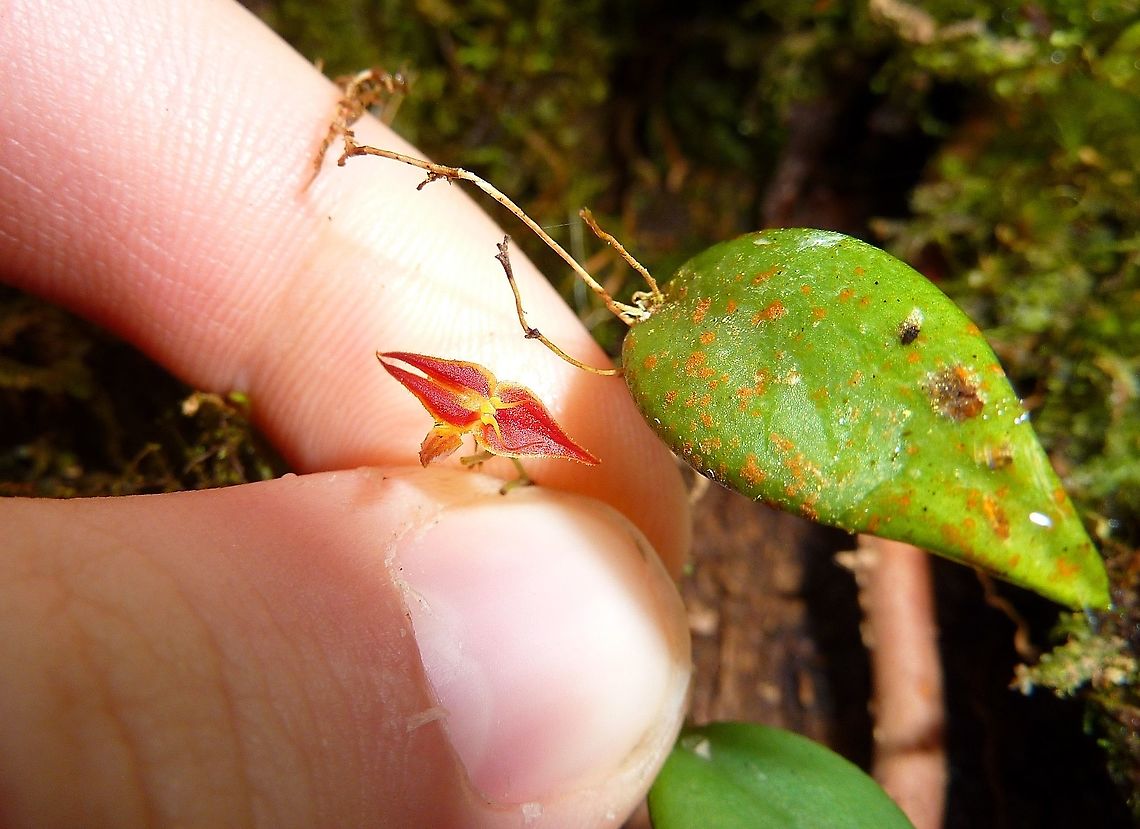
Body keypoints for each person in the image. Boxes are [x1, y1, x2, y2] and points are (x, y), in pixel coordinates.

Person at [0, 2, 692, 826]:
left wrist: (489, 434)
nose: (466, 431)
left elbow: (530, 435)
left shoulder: (501, 421)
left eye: (473, 425)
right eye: (468, 423)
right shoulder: (481, 419)